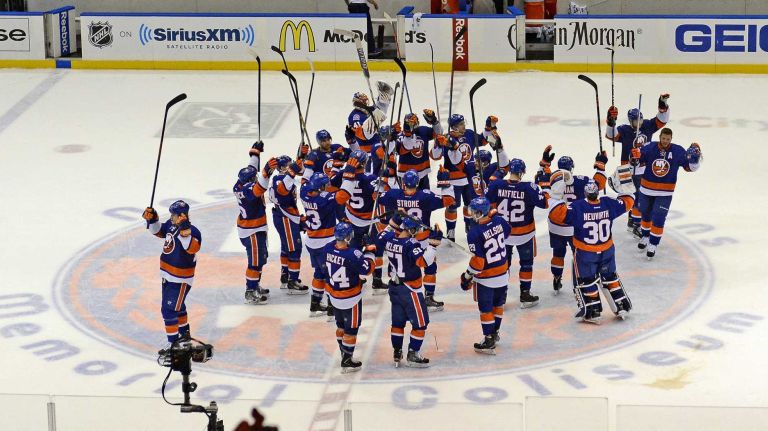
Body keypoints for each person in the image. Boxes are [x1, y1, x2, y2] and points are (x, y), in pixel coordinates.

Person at [548, 178, 635, 323]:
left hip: (586, 253)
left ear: (585, 193)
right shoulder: (608, 203)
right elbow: (628, 203)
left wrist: (556, 196)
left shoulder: (578, 207)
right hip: (607, 251)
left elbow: (556, 214)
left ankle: (593, 312)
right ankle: (621, 305)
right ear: (597, 192)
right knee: (610, 277)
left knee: (587, 281)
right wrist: (626, 189)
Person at [378, 168, 455, 309]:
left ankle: (399, 293)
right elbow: (449, 201)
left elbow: (376, 196)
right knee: (430, 266)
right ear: (417, 183)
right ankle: (428, 297)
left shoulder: (395, 194)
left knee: (397, 265)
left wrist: (383, 181)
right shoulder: (425, 196)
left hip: (401, 238)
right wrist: (445, 183)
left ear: (403, 183)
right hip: (421, 238)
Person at [535, 145, 607, 293]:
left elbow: (539, 181)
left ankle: (556, 277)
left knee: (558, 253)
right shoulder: (581, 181)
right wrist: (600, 166)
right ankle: (580, 281)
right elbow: (598, 185)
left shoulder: (552, 179)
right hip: (574, 225)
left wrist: (544, 164)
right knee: (578, 255)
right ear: (571, 168)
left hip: (556, 225)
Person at [378, 214, 442, 367]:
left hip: (394, 288)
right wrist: (433, 245)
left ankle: (397, 351)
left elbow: (380, 236)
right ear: (411, 229)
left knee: (398, 323)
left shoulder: (389, 238)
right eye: (416, 229)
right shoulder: (411, 243)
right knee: (420, 324)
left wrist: (395, 217)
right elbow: (423, 262)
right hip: (410, 289)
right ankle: (413, 354)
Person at [142, 200, 202, 359]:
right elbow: (158, 231)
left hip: (180, 278)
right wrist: (152, 220)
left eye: (174, 215)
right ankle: (184, 337)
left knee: (168, 311)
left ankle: (174, 345)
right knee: (178, 307)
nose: (171, 217)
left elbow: (192, 248)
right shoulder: (171, 224)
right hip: (168, 275)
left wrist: (185, 231)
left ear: (182, 216)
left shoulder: (194, 232)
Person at [486, 158, 548, 308]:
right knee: (526, 264)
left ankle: (500, 298)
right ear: (521, 172)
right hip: (524, 234)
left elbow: (486, 202)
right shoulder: (529, 188)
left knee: (503, 266)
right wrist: (544, 186)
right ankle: (525, 295)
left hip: (503, 234)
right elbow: (545, 203)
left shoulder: (497, 184)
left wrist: (497, 175)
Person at [631, 128, 702, 259]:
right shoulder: (650, 147)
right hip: (646, 189)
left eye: (668, 139)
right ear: (660, 137)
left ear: (671, 139)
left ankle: (653, 244)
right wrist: (634, 157)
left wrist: (695, 160)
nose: (665, 141)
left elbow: (689, 168)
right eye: (663, 138)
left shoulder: (678, 151)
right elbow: (638, 162)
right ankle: (645, 236)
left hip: (665, 192)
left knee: (658, 217)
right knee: (645, 213)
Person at [605, 94, 670, 234]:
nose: (639, 122)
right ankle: (634, 222)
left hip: (645, 168)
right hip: (628, 169)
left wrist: (662, 104)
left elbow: (662, 120)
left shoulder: (647, 126)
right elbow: (611, 135)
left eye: (640, 119)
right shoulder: (624, 130)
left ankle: (635, 222)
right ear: (630, 121)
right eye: (635, 121)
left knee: (642, 197)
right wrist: (611, 121)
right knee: (633, 196)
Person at [430, 114, 496, 241]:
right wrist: (438, 142)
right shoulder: (446, 138)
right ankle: (451, 230)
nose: (464, 125)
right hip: (453, 180)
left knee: (470, 205)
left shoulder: (469, 134)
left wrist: (488, 127)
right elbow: (435, 156)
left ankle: (469, 225)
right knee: (452, 207)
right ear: (454, 127)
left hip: (469, 177)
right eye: (461, 124)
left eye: (463, 123)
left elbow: (483, 140)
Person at [460, 197, 511, 354]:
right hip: (503, 273)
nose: (471, 214)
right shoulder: (499, 221)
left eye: (474, 211)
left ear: (480, 212)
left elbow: (478, 263)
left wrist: (467, 276)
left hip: (487, 278)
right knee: (498, 305)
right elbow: (508, 232)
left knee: (486, 309)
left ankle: (489, 339)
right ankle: (495, 333)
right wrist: (495, 218)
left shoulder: (474, 233)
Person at [324, 222, 376, 373]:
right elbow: (367, 270)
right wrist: (370, 250)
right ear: (348, 237)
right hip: (351, 298)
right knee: (351, 329)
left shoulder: (327, 248)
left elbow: (342, 253)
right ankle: (347, 359)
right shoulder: (353, 254)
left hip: (334, 296)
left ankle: (343, 351)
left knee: (340, 326)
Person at [233, 142, 273, 305]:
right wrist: (266, 172)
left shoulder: (240, 183)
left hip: (254, 228)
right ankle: (250, 291)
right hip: (252, 231)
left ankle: (255, 285)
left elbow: (251, 167)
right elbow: (261, 187)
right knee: (255, 262)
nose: (256, 178)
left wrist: (255, 152)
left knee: (261, 258)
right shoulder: (248, 190)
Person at [300, 172, 341, 317]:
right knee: (330, 274)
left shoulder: (304, 193)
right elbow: (343, 196)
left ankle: (315, 303)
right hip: (325, 242)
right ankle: (331, 307)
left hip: (311, 241)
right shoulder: (324, 200)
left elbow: (304, 182)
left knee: (319, 272)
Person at [269, 155, 309, 294]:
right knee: (294, 249)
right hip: (285, 216)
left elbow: (302, 171)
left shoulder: (283, 177)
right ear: (281, 168)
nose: (291, 166)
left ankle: (285, 276)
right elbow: (283, 193)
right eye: (288, 165)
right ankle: (293, 281)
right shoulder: (279, 179)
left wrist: (302, 157)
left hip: (284, 216)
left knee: (286, 247)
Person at [393, 110, 443, 189]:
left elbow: (439, 133)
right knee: (408, 196)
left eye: (414, 121)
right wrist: (407, 132)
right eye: (409, 122)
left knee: (425, 196)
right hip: (406, 174)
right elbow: (400, 150)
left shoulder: (423, 131)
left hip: (423, 172)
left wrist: (434, 121)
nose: (413, 123)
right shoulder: (400, 136)